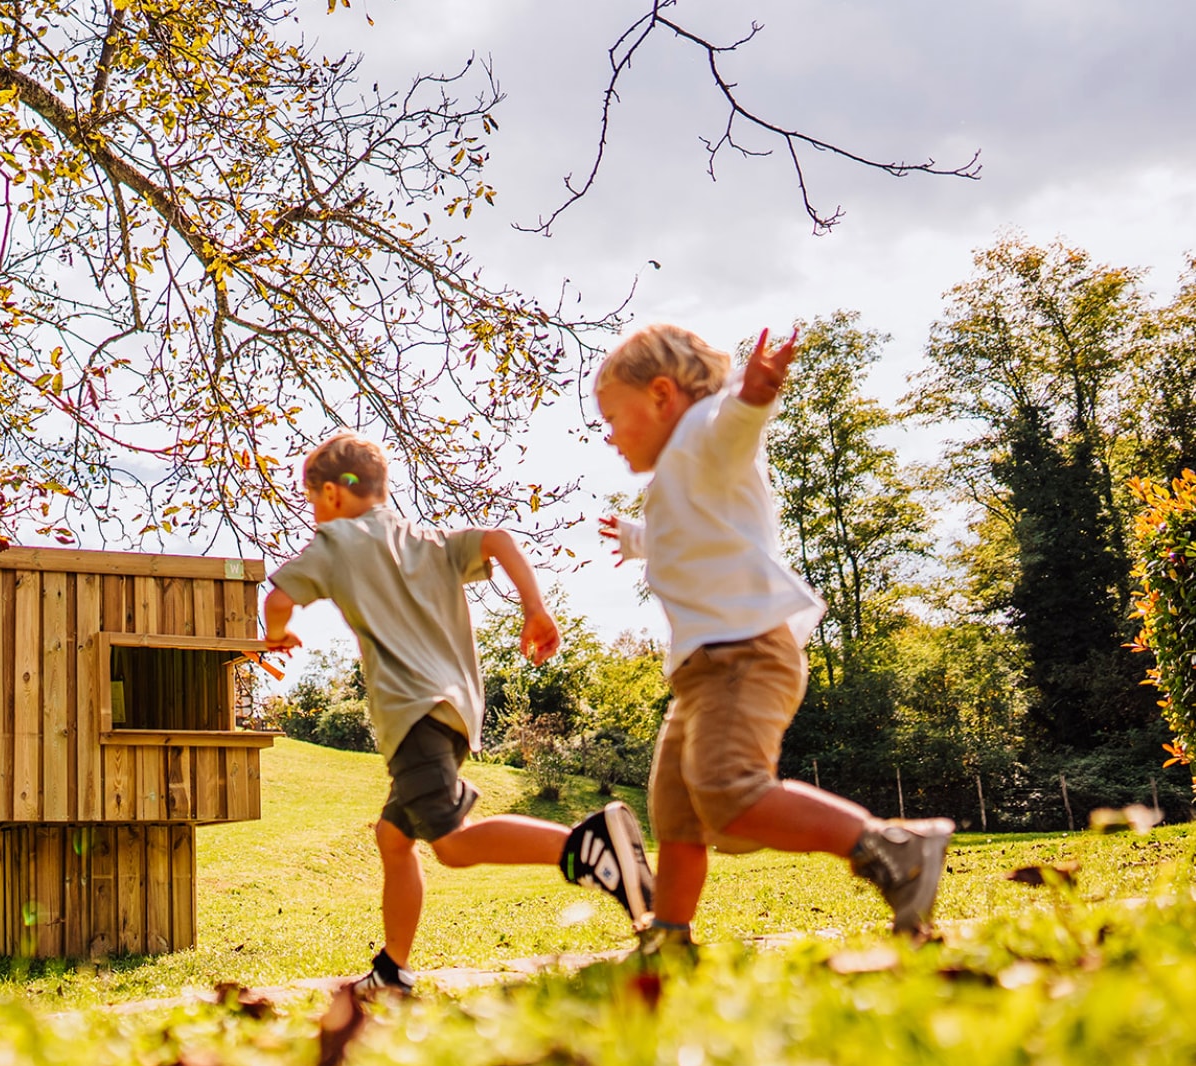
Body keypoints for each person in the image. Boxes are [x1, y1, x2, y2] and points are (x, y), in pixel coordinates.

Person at [595, 323, 952, 955]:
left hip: (745, 654)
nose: (609, 433)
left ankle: (894, 849)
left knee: (728, 791)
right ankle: (669, 934)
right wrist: (633, 536)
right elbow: (689, 534)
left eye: (614, 416)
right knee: (675, 811)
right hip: (703, 672)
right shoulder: (679, 476)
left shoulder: (706, 430)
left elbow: (735, 423)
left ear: (661, 395)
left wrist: (755, 392)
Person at [262, 432, 654, 995]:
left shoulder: (335, 544)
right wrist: (535, 610)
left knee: (452, 845)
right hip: (456, 710)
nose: (313, 512)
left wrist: (279, 635)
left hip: (412, 713)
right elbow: (496, 539)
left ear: (332, 494)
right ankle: (392, 971)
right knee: (393, 839)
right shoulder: (423, 538)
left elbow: (277, 599)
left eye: (311, 501)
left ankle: (588, 847)